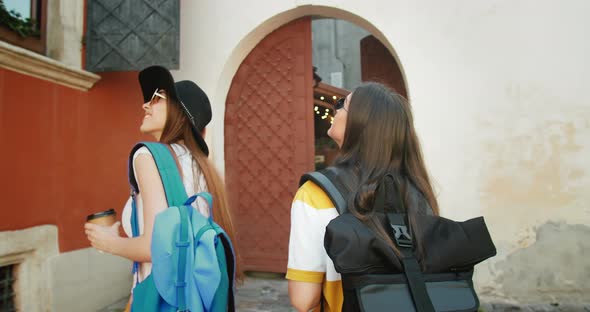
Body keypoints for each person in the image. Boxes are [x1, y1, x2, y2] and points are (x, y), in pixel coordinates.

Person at [84, 65, 240, 309]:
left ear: (179, 112)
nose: (145, 105)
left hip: (162, 299)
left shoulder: (148, 156)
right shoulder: (203, 167)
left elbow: (155, 247)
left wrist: (108, 242)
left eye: (156, 99)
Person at [286, 82, 439, 311]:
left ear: (360, 123)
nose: (334, 109)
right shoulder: (417, 191)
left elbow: (303, 300)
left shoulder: (315, 194)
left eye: (341, 104)